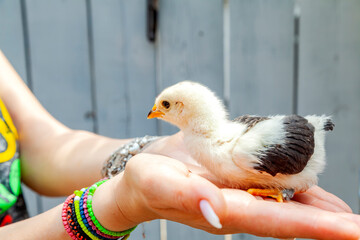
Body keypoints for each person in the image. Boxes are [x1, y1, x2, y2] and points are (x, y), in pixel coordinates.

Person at [0, 50, 359, 240]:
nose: (155, 112)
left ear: (186, 109)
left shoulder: (238, 149)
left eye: (167, 106)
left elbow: (43, 146)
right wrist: (111, 207)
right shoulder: (225, 148)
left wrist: (144, 152)